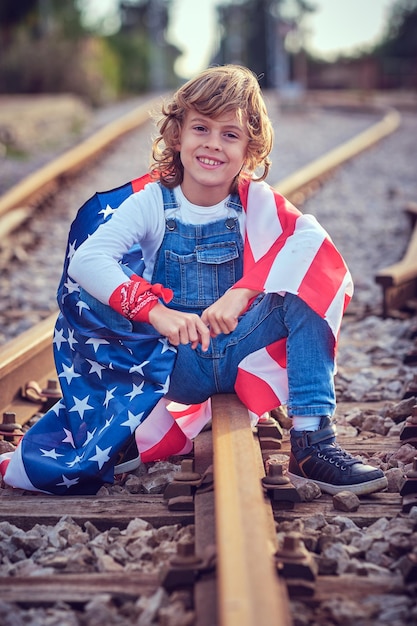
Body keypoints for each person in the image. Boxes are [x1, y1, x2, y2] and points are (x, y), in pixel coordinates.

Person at [1, 65, 387, 496]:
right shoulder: (152, 203)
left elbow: (310, 242)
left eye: (230, 134)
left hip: (240, 348)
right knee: (99, 291)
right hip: (173, 364)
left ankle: (313, 442)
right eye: (201, 127)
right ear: (177, 134)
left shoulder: (255, 203)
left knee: (307, 287)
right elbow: (88, 259)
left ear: (249, 150)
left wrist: (242, 293)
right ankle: (124, 427)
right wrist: (156, 312)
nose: (213, 144)